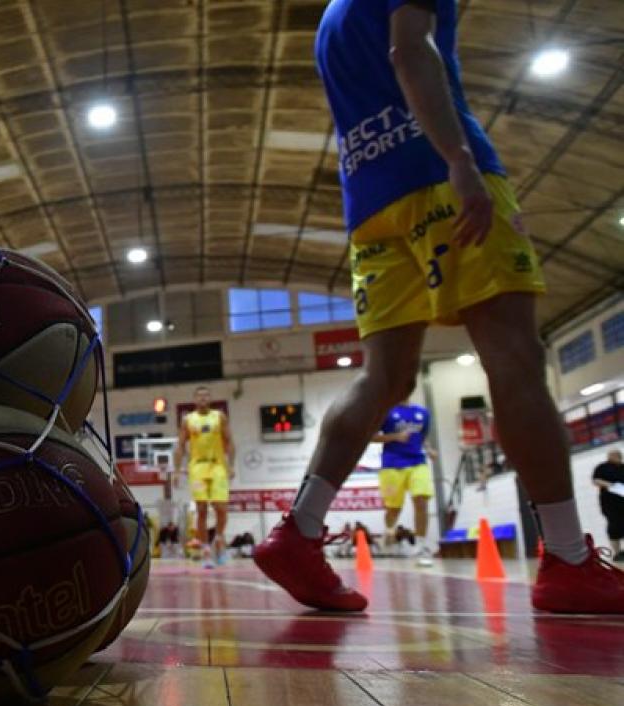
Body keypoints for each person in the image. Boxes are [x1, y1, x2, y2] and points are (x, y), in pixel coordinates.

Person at [254, 0, 624, 613]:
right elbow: (410, 49)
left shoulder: (332, 17)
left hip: (369, 206)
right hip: (434, 173)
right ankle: (570, 558)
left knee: (385, 378)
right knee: (514, 355)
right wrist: (458, 159)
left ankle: (300, 530)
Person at [174, 387, 235, 569]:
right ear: (194, 399)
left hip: (218, 466)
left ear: (210, 398)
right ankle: (206, 549)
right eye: (199, 396)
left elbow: (230, 441)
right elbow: (180, 446)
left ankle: (219, 540)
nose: (203, 398)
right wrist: (177, 470)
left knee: (221, 508)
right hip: (198, 467)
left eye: (206, 395)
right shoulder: (188, 420)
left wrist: (231, 465)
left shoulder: (219, 417)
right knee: (201, 509)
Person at [373, 399, 439, 565]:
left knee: (421, 501)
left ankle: (422, 545)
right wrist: (395, 436)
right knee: (393, 509)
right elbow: (372, 437)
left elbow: (422, 437)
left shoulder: (422, 412)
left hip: (417, 462)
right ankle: (389, 532)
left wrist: (429, 449)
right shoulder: (385, 411)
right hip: (392, 465)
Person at [591, 449, 624, 562]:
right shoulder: (602, 467)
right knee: (614, 525)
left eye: (620, 455)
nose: (619, 457)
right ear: (610, 456)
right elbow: (596, 481)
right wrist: (610, 485)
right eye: (616, 455)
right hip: (610, 503)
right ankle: (617, 552)